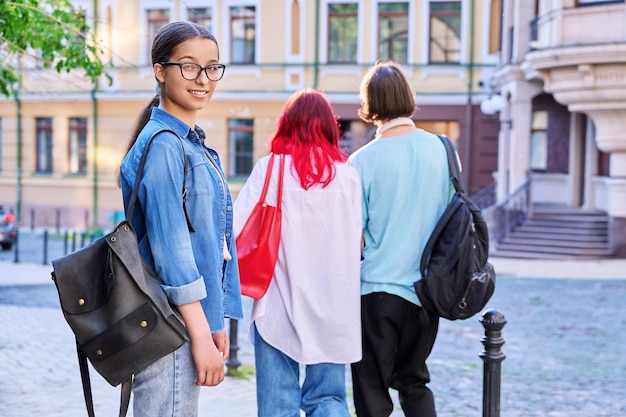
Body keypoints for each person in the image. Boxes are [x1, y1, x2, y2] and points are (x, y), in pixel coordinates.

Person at [118, 21, 243, 417]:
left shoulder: (190, 144)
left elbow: (207, 243)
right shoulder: (166, 148)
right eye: (189, 66)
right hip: (169, 325)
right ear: (160, 71)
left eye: (212, 67)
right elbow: (173, 254)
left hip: (182, 323)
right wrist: (200, 334)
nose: (203, 79)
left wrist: (213, 323)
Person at [233, 88, 363, 417]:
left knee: (278, 406)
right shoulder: (347, 176)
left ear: (286, 124)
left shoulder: (270, 169)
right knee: (329, 401)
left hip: (278, 304)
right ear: (329, 127)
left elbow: (234, 229)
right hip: (334, 307)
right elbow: (357, 242)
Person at [348, 61, 456, 417]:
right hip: (427, 292)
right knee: (414, 382)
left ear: (370, 104)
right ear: (408, 97)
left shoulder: (362, 161)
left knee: (371, 389)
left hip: (377, 291)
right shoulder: (442, 150)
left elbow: (355, 239)